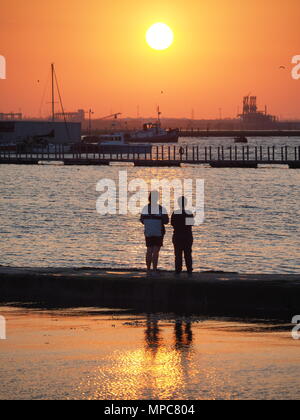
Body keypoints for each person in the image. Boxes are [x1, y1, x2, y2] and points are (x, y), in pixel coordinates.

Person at [140, 191, 169, 275]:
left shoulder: (145, 208)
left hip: (148, 231)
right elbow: (166, 221)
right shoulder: (161, 208)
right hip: (158, 231)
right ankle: (154, 270)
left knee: (149, 250)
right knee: (156, 251)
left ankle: (148, 270)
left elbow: (142, 220)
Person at [171, 196, 194, 275]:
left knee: (178, 254)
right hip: (187, 235)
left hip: (177, 235)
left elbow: (172, 224)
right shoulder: (189, 213)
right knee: (188, 254)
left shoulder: (175, 213)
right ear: (186, 203)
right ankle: (189, 271)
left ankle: (178, 271)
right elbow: (191, 224)